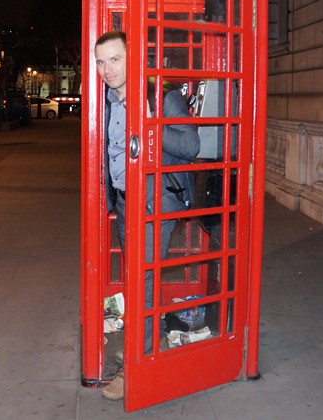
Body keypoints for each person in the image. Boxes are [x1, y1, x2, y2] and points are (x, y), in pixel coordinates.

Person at [94, 31, 200, 401]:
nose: (107, 69)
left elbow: (191, 145)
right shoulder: (107, 99)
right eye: (101, 61)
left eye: (115, 59)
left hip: (156, 202)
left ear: (133, 57)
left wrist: (150, 123)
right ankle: (150, 342)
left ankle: (137, 365)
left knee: (144, 279)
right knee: (137, 276)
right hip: (126, 201)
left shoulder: (162, 95)